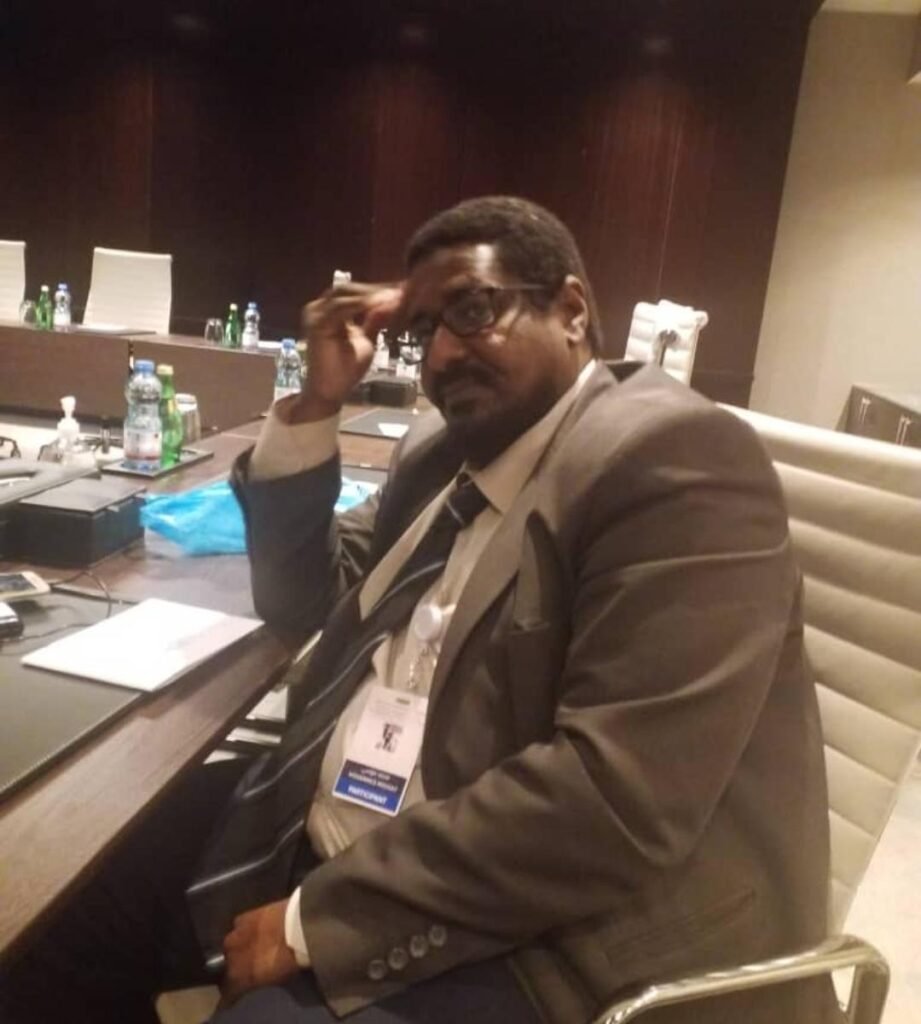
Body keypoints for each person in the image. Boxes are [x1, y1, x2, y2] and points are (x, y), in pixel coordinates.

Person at [0, 197, 836, 1024]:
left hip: (555, 931)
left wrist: (308, 924)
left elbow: (610, 800)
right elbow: (302, 598)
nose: (439, 354)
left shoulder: (671, 463)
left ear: (572, 310)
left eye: (472, 311)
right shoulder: (442, 452)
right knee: (60, 912)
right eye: (424, 326)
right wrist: (315, 406)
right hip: (348, 830)